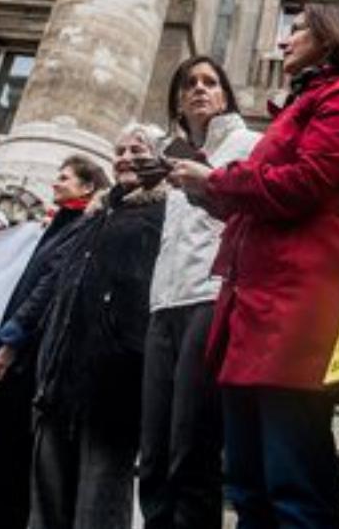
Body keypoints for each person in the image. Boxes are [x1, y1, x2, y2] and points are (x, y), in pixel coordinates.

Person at [169, 3, 339, 529]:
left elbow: (305, 185)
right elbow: (263, 196)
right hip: (254, 306)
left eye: (298, 29)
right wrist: (203, 187)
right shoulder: (299, 105)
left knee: (292, 481)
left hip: (293, 307)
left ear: (331, 39)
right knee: (247, 483)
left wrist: (214, 181)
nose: (284, 41)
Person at [140, 56, 260, 529]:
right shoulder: (168, 159)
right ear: (176, 98)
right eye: (189, 83)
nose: (199, 89)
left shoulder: (250, 143)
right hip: (161, 308)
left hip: (212, 299)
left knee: (192, 448)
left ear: (226, 95)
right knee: (152, 454)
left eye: (210, 82)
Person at [28, 125, 168, 529]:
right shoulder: (95, 215)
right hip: (59, 376)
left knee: (100, 504)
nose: (124, 156)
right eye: (119, 149)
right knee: (48, 504)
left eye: (136, 149)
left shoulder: (164, 211)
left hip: (114, 382)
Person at [0, 157, 110, 529]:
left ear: (87, 187)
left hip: (28, 362)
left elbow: (48, 287)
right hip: (17, 356)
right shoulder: (56, 225)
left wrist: (11, 341)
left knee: (4, 460)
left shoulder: (80, 227)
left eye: (64, 178)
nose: (55, 183)